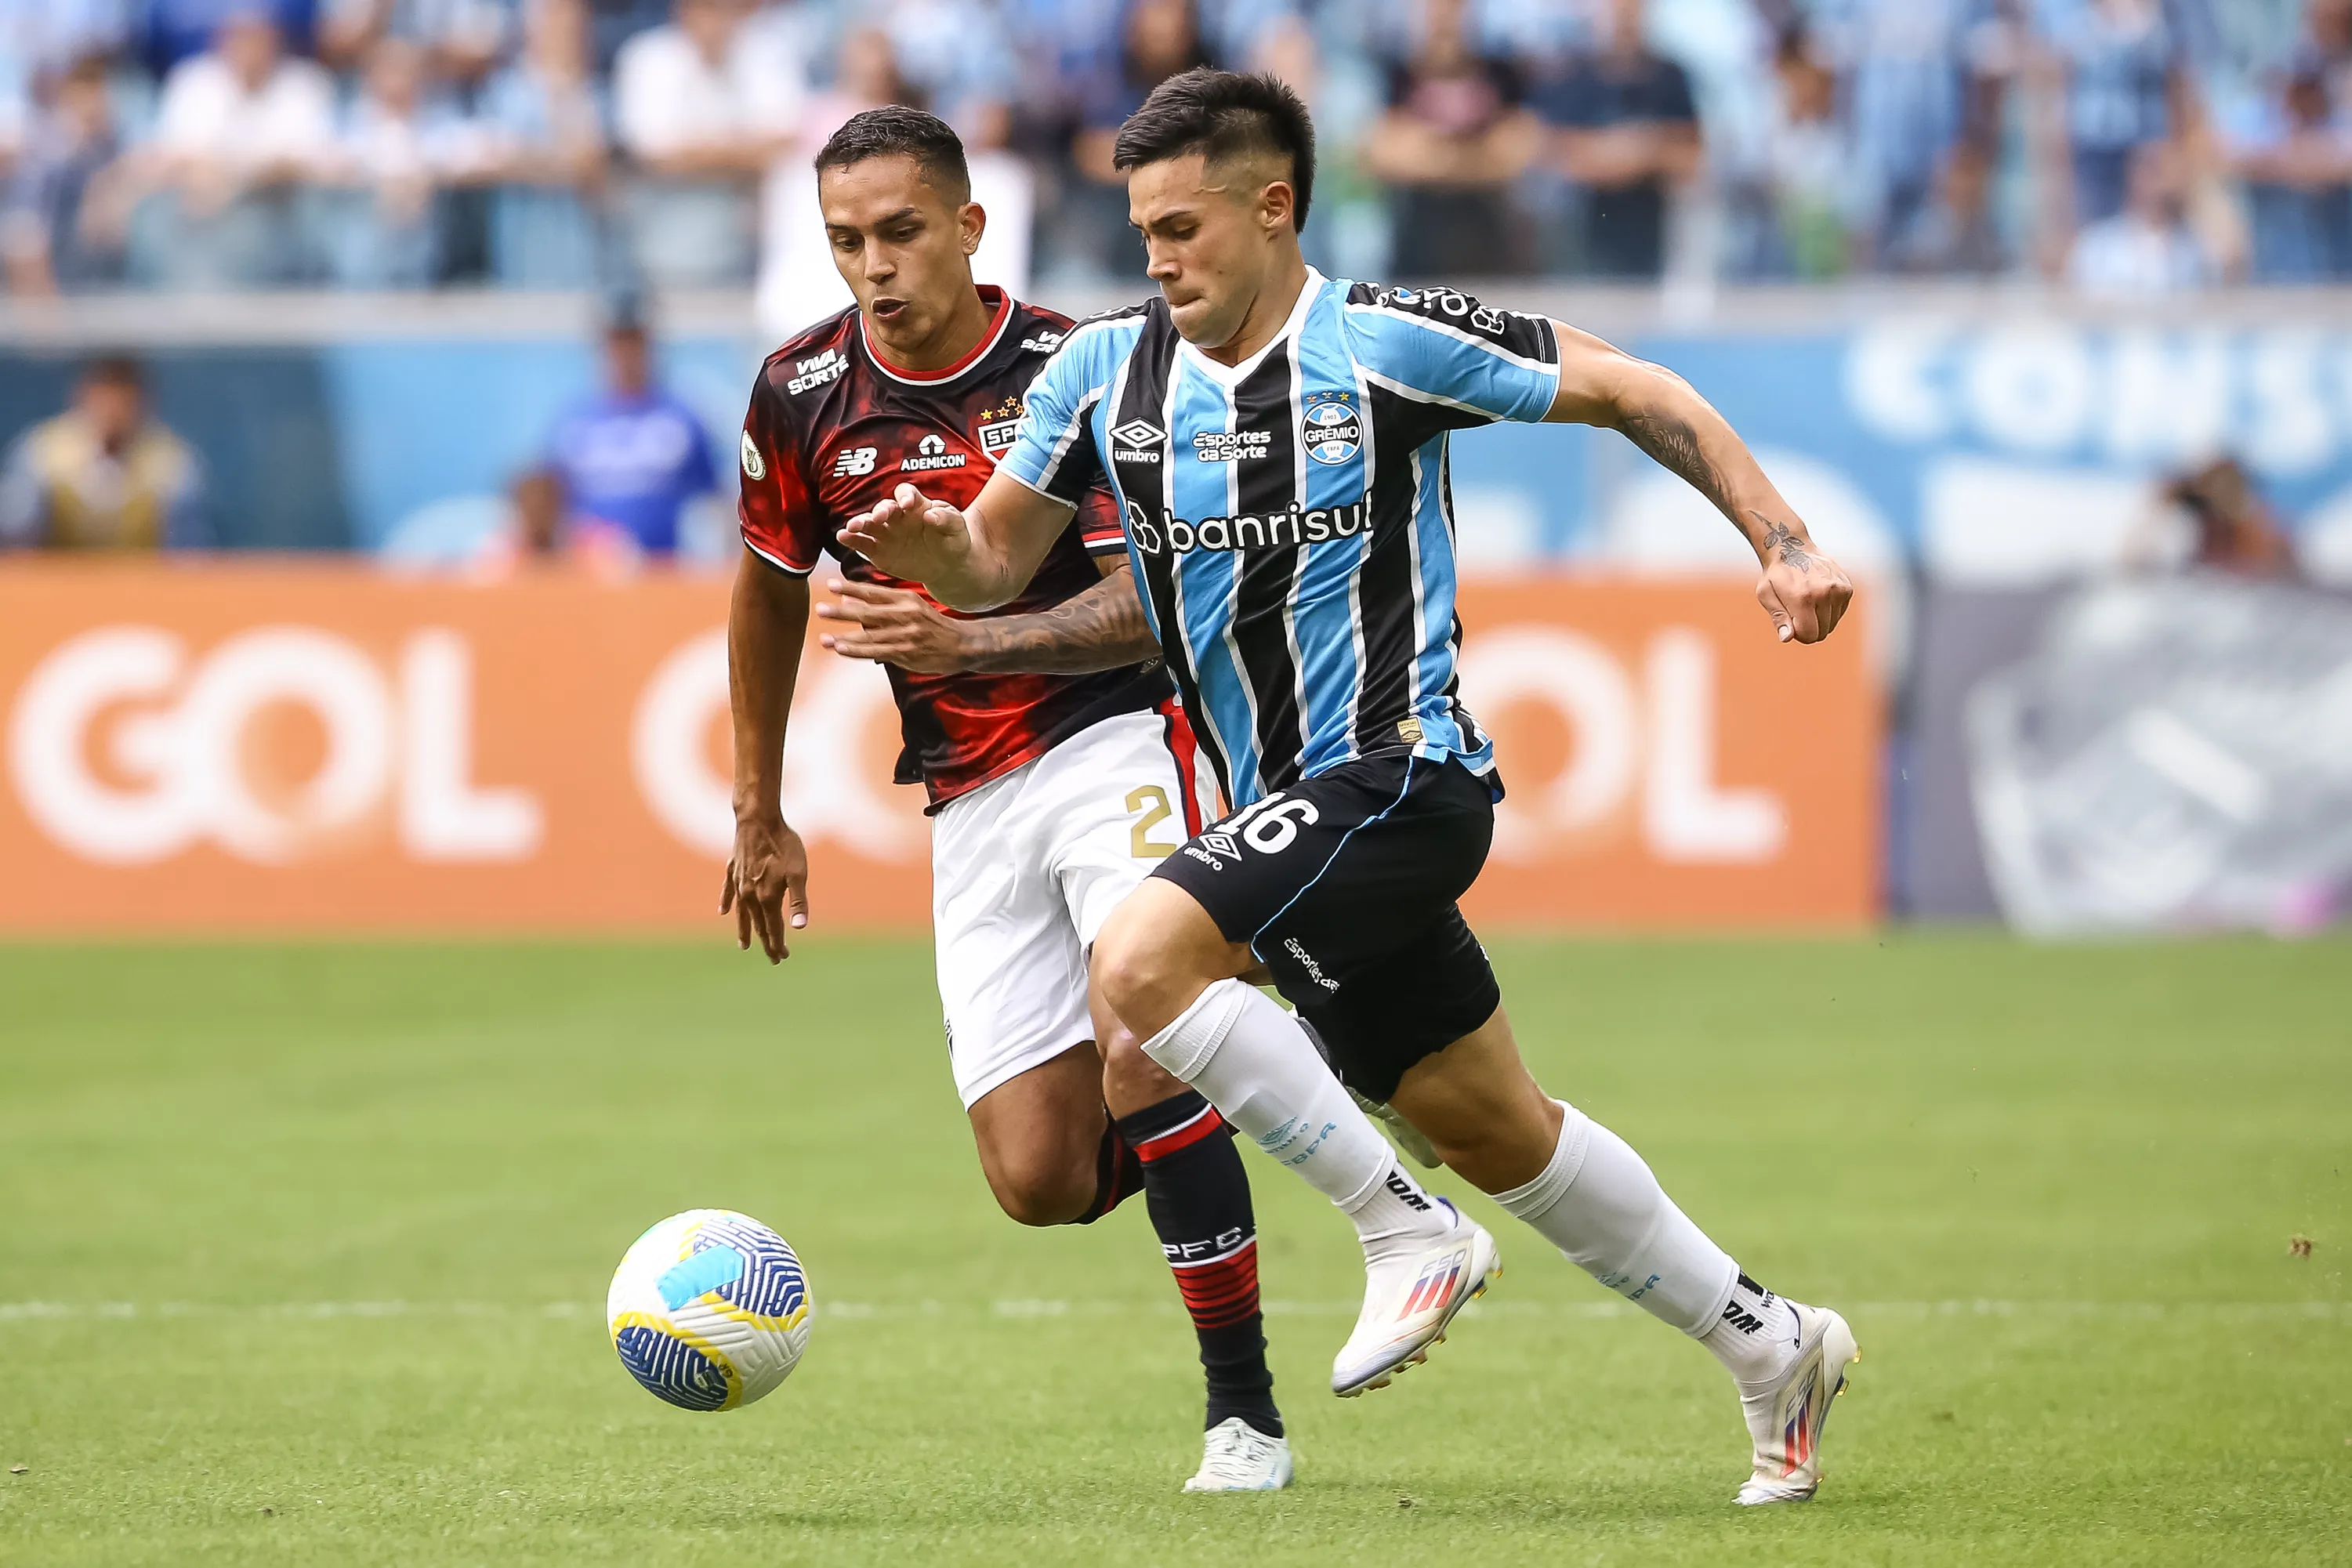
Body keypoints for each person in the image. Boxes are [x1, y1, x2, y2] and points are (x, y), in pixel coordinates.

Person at [841, 67, 1861, 1506]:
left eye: (1184, 227)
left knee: (1138, 956)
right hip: (1283, 820)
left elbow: (1636, 388)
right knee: (1494, 1125)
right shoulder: (1102, 376)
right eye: (1142, 230)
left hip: (1401, 775)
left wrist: (1783, 540)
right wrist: (928, 547)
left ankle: (1406, 1236)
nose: (1158, 258)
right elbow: (997, 557)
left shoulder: (1381, 344)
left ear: (1273, 208)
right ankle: (1772, 1344)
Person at [722, 105, 1293, 1494]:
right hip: (968, 794)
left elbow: (1147, 607)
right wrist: (758, 805)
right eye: (846, 241)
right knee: (1038, 1178)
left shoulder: (1078, 369)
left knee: (1143, 1037)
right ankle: (1237, 1086)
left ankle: (1244, 1418)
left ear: (971, 227)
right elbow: (764, 585)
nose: (874, 265)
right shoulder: (798, 393)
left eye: (901, 232)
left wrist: (973, 635)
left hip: (1116, 740)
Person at [1531, 0, 1699, 279]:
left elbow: (1692, 159)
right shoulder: (1573, 77)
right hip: (1581, 237)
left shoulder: (1669, 77)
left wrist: (1621, 152)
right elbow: (1556, 157)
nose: (1624, 16)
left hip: (1651, 237)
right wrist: (1642, 149)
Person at [541, 307, 716, 558]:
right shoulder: (574, 421)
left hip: (664, 568)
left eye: (634, 344)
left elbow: (712, 495)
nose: (626, 355)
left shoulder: (680, 417)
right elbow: (549, 499)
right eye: (617, 344)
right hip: (592, 573)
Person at [0, 356, 210, 551]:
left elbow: (188, 550)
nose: (112, 413)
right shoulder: (42, 452)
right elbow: (17, 538)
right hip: (58, 584)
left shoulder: (171, 461)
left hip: (142, 585)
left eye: (123, 403)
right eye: (104, 400)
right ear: (82, 398)